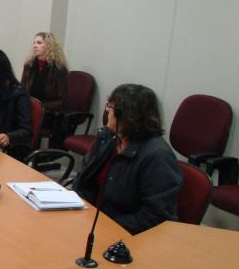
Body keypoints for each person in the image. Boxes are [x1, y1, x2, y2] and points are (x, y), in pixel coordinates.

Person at [72, 84, 182, 235]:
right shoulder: (107, 137)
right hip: (92, 220)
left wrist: (104, 227)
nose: (106, 111)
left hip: (124, 237)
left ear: (125, 114)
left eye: (110, 107)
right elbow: (83, 178)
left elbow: (156, 217)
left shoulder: (157, 156)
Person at [21, 32, 68, 146]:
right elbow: (22, 89)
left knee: (24, 121)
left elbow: (63, 101)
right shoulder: (29, 65)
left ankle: (28, 155)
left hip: (47, 112)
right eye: (34, 43)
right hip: (29, 107)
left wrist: (39, 106)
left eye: (39, 42)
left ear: (49, 45)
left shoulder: (59, 69)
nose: (35, 45)